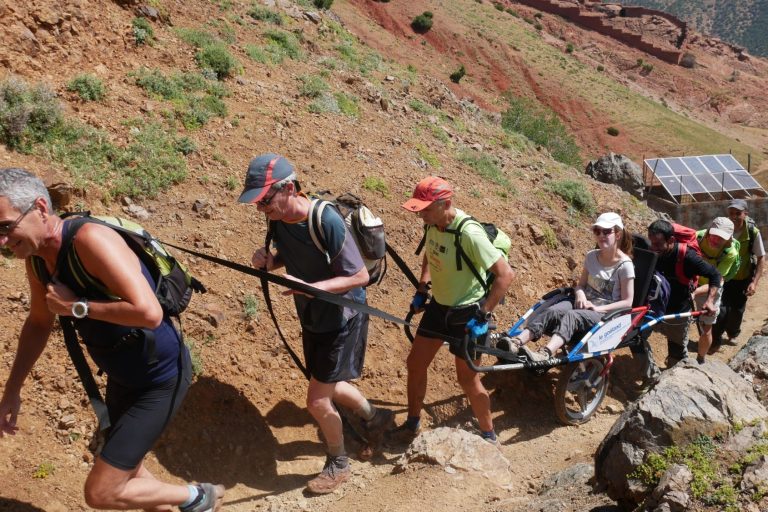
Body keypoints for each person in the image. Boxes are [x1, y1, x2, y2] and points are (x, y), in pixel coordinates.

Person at [0, 168, 224, 512]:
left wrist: (76, 307)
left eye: (6, 226)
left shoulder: (90, 240)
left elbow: (149, 312)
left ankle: (197, 497)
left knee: (101, 492)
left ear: (41, 208)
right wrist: (12, 390)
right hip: (123, 376)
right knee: (126, 474)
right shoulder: (38, 262)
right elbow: (38, 323)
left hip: (160, 378)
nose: (1, 240)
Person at [240, 153, 393, 495]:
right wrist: (270, 261)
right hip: (312, 314)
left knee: (317, 401)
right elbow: (293, 257)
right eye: (257, 202)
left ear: (290, 189)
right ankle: (374, 417)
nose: (261, 207)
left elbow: (358, 276)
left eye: (266, 199)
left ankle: (338, 462)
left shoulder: (326, 220)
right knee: (327, 383)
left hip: (341, 317)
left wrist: (314, 289)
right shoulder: (278, 219)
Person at [395, 176, 514, 444]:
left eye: (426, 208)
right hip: (439, 307)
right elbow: (430, 253)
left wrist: (483, 314)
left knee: (467, 379)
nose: (421, 214)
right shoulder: (433, 225)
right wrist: (422, 288)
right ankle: (412, 423)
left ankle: (488, 435)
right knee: (415, 364)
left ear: (445, 203)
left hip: (468, 313)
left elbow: (506, 275)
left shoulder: (469, 233)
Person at [509, 213, 635, 362]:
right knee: (553, 310)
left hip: (605, 313)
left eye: (606, 231)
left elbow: (628, 302)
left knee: (572, 316)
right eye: (597, 231)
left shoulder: (625, 265)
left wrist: (597, 308)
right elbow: (580, 285)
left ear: (618, 234)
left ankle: (546, 353)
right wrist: (580, 294)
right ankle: (517, 342)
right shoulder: (591, 256)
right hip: (582, 303)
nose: (601, 235)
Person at [647, 219, 721, 366]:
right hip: (653, 307)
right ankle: (649, 374)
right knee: (638, 337)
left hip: (677, 311)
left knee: (676, 351)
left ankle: (675, 376)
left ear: (671, 240)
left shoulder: (686, 257)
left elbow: (715, 275)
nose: (653, 248)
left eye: (658, 244)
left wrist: (709, 300)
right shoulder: (651, 251)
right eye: (651, 242)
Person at [713, 199, 765, 348]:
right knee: (721, 309)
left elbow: (761, 257)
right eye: (731, 213)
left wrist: (754, 282)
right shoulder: (723, 228)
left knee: (737, 310)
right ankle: (715, 338)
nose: (734, 216)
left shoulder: (752, 232)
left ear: (745, 214)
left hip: (742, 277)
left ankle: (733, 333)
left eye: (738, 213)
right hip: (723, 277)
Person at [694, 217, 740, 356]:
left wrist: (695, 292)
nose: (715, 240)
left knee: (706, 327)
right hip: (693, 280)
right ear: (709, 230)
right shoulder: (698, 237)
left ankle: (701, 358)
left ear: (729, 238)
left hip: (711, 288)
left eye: (721, 238)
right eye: (714, 235)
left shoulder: (730, 253)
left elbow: (717, 281)